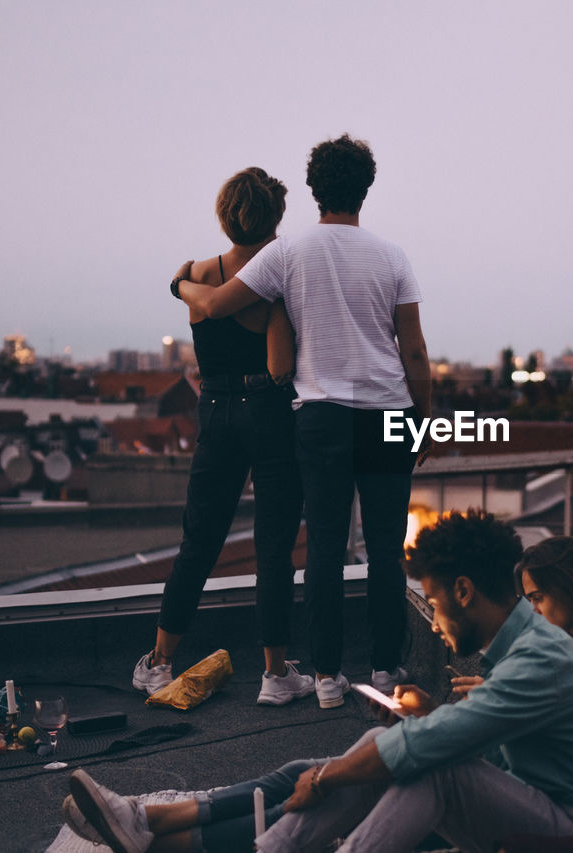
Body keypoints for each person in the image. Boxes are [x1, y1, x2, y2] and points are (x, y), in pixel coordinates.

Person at [64, 511, 573, 853]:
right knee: (392, 751)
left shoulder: (540, 659)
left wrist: (329, 778)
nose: (431, 621)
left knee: (426, 769)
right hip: (541, 806)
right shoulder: (521, 647)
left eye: (433, 602)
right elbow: (483, 751)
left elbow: (437, 754)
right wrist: (422, 721)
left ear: (464, 592)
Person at [177, 134, 431, 709]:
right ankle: (388, 670)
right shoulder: (393, 257)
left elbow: (214, 306)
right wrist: (426, 421)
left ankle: (325, 679)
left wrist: (178, 283)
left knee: (322, 548)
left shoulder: (287, 254)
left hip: (320, 416)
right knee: (387, 550)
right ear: (365, 188)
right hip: (389, 413)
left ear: (313, 189)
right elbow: (414, 352)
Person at [135, 168, 310, 706]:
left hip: (213, 409)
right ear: (276, 218)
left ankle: (159, 663)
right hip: (270, 410)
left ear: (224, 215)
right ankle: (275, 675)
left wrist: (180, 282)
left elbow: (198, 304)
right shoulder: (276, 280)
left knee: (200, 540)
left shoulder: (197, 273)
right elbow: (281, 367)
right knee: (274, 548)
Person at [454, 535, 573, 711]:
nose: (534, 610)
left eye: (538, 598)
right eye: (530, 600)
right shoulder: (567, 649)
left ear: (571, 590)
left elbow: (557, 726)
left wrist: (496, 699)